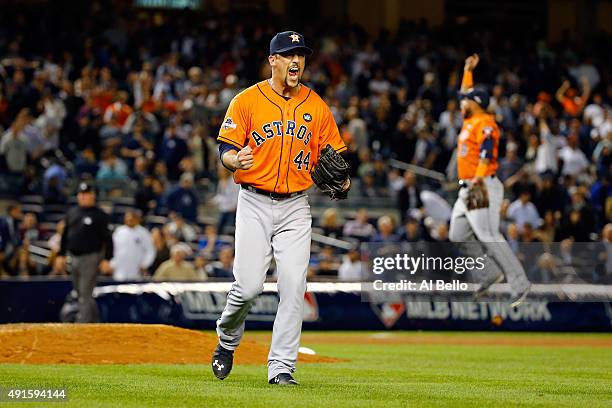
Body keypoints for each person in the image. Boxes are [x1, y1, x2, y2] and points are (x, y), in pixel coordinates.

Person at [212, 31, 350, 386]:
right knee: (247, 288)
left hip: (295, 207)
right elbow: (224, 150)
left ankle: (281, 368)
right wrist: (233, 160)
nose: (296, 61)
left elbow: (334, 156)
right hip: (254, 201)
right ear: (272, 59)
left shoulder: (316, 105)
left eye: (301, 55)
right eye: (289, 55)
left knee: (293, 286)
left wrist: (344, 181)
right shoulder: (246, 101)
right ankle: (227, 339)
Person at [448, 54, 531, 307]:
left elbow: (487, 154)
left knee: (489, 235)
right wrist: (467, 71)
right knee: (457, 234)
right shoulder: (471, 119)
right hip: (467, 188)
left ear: (475, 103)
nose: (461, 102)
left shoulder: (486, 122)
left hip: (481, 184)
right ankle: (488, 272)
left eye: (466, 100)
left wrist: (478, 182)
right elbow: (465, 92)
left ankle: (519, 283)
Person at [56, 182, 113, 322]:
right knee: (81, 291)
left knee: (85, 292)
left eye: (86, 194)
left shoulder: (99, 215)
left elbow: (108, 238)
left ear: (93, 196)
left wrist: (107, 258)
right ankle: (94, 322)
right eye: (81, 194)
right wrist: (61, 255)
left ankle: (83, 325)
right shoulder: (72, 212)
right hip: (73, 257)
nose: (83, 197)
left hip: (91, 257)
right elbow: (65, 235)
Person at [103, 209, 156, 281]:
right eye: (127, 218)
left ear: (137, 219)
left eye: (131, 218)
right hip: (119, 269)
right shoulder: (119, 231)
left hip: (136, 270)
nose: (129, 220)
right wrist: (112, 263)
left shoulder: (143, 233)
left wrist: (145, 264)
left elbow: (150, 250)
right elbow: (113, 249)